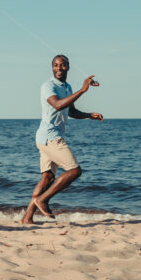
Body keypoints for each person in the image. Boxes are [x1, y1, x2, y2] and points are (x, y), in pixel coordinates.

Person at [20, 55, 103, 224]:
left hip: (48, 137)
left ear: (68, 67)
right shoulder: (48, 86)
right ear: (52, 68)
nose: (58, 68)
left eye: (62, 65)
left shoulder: (67, 87)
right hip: (49, 136)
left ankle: (27, 217)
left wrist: (88, 115)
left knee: (48, 178)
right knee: (74, 171)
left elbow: (70, 111)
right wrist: (83, 90)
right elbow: (58, 105)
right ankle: (43, 200)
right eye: (55, 65)